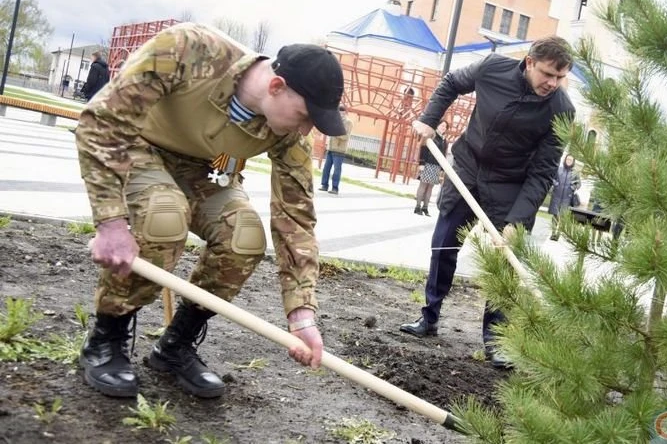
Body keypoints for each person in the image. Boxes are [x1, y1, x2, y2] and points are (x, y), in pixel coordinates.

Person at [74, 22, 346, 399]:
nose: (305, 130)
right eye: (304, 116)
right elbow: (100, 122)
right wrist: (110, 222)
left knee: (244, 236)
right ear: (276, 87)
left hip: (211, 167)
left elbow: (296, 218)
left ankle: (176, 347)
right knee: (165, 215)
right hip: (141, 147)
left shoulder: (288, 133)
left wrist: (301, 314)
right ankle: (107, 338)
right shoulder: (188, 48)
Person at [398, 36, 576, 369]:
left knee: (506, 261)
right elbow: (451, 83)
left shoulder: (561, 110)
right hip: (468, 168)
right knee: (444, 244)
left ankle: (495, 341)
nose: (552, 83)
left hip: (512, 185)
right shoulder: (492, 68)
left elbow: (542, 172)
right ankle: (429, 316)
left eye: (559, 77)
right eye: (547, 74)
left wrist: (517, 220)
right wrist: (429, 119)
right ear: (529, 62)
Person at [414, 119, 448, 216]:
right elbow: (423, 148)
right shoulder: (431, 135)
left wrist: (442, 168)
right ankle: (417, 207)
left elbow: (443, 154)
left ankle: (425, 208)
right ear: (437, 126)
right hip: (427, 164)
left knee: (430, 188)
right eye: (442, 125)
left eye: (445, 127)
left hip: (436, 166)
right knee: (423, 185)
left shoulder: (444, 140)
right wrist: (421, 163)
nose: (443, 128)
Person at [318, 106, 354, 195]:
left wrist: (335, 133)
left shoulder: (348, 122)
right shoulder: (334, 120)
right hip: (330, 148)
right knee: (326, 168)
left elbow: (345, 136)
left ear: (345, 112)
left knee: (337, 170)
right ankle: (324, 185)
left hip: (339, 150)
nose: (339, 113)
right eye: (338, 111)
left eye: (341, 112)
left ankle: (335, 188)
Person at [547, 153, 581, 241]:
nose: (568, 161)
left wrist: (573, 187)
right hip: (556, 196)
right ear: (565, 160)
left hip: (567, 197)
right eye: (567, 159)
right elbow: (551, 178)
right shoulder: (559, 169)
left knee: (562, 216)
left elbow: (579, 184)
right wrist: (555, 184)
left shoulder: (575, 173)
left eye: (571, 160)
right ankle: (553, 233)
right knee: (555, 215)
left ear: (573, 162)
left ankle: (558, 234)